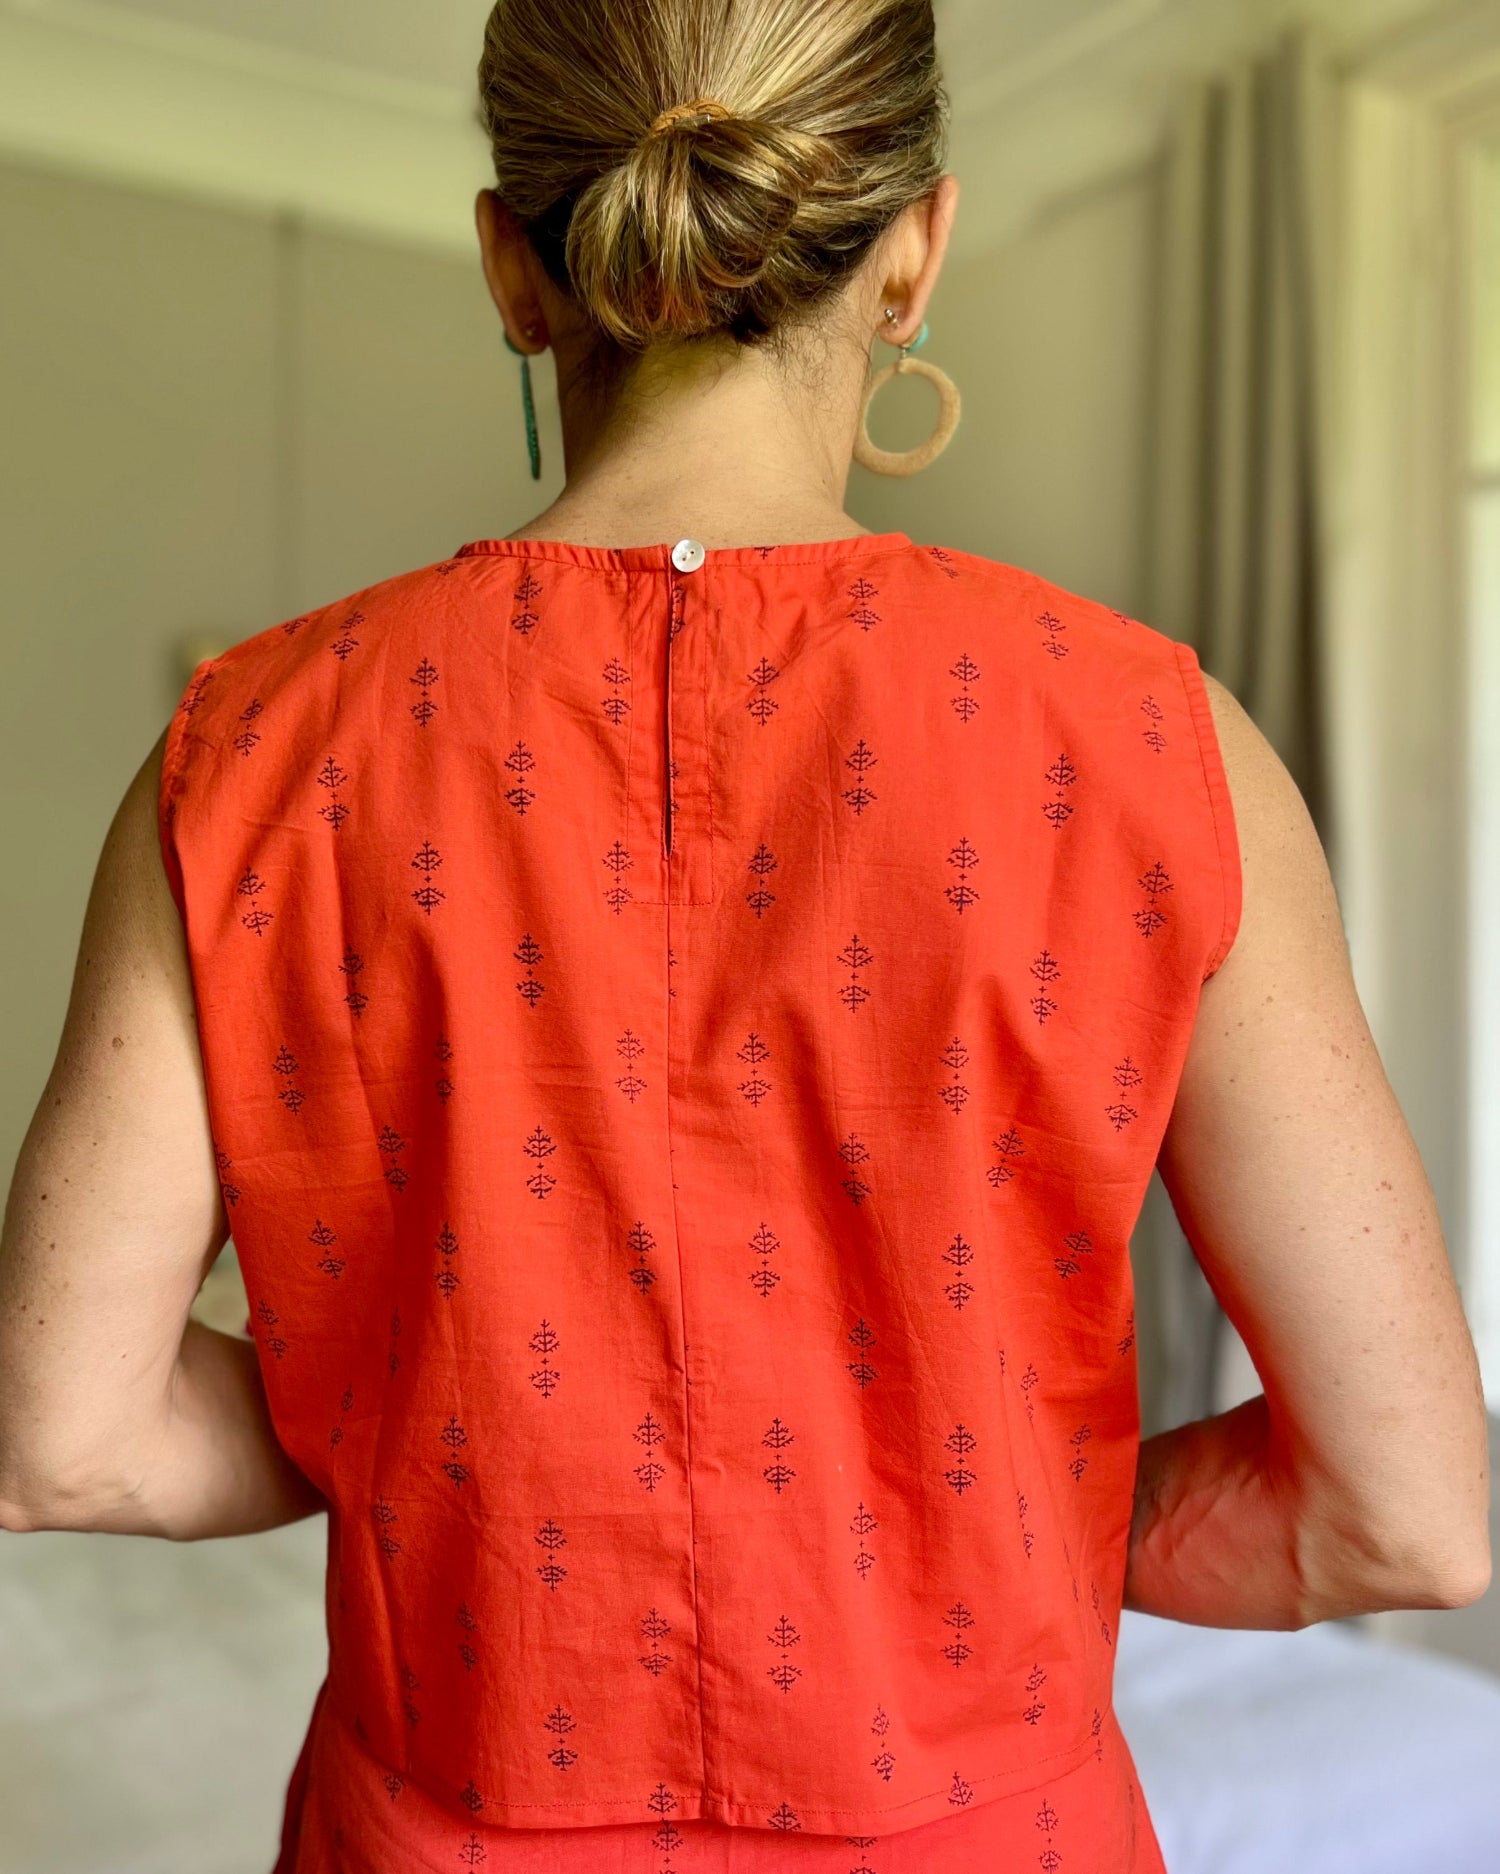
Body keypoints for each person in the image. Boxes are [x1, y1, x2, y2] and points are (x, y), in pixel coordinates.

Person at [0, 0, 1490, 1869]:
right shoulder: (1153, 745)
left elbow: (65, 1432)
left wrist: (413, 1444)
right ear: (916, 249)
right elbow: (1402, 1514)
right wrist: (979, 1522)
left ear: (513, 267)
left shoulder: (248, 753)